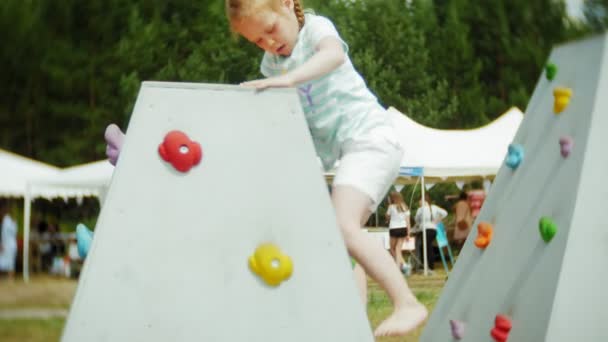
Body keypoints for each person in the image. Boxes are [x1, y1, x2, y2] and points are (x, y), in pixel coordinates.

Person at [104, 0, 428, 336]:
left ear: (289, 4)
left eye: (271, 30)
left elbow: (333, 56)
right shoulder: (272, 64)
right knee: (341, 236)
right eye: (258, 40)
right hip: (350, 151)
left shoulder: (315, 30)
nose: (270, 43)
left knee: (343, 226)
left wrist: (289, 82)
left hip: (371, 139)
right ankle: (354, 327)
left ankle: (407, 302)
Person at [413, 193, 447, 271]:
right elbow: (445, 213)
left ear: (422, 200)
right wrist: (437, 220)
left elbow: (416, 220)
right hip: (433, 229)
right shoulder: (434, 207)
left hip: (425, 230)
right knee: (428, 247)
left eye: (420, 200)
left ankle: (426, 265)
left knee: (424, 247)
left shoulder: (420, 209)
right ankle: (429, 265)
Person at [385, 191, 411, 272]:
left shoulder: (391, 207)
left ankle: (399, 267)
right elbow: (408, 222)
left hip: (394, 228)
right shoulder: (405, 207)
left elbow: (387, 217)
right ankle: (403, 265)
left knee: (392, 248)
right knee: (398, 249)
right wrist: (408, 234)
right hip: (403, 229)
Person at [0, 199, 18, 281]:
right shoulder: (12, 221)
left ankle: (10, 277)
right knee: (9, 260)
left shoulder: (6, 221)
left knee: (9, 260)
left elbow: (4, 234)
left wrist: (2, 244)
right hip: (11, 244)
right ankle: (10, 277)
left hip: (8, 244)